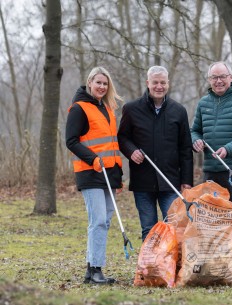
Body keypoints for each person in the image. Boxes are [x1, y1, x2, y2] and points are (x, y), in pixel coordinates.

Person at [117, 65, 193, 241]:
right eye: (155, 82)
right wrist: (131, 151)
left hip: (171, 181)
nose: (159, 86)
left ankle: (170, 267)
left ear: (168, 84)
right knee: (149, 229)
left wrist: (186, 181)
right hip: (143, 181)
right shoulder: (131, 109)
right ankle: (150, 267)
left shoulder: (178, 111)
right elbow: (122, 137)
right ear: (148, 83)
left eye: (163, 83)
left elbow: (185, 148)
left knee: (173, 228)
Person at [66, 67, 123, 285]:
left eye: (105, 84)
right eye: (98, 82)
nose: (101, 87)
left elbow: (111, 145)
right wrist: (92, 159)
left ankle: (91, 270)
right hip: (90, 172)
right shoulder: (79, 108)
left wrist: (119, 175)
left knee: (104, 221)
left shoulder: (108, 109)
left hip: (110, 174)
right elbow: (71, 140)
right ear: (90, 82)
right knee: (97, 220)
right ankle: (97, 269)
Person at [191, 61, 232, 235]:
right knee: (210, 219)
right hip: (211, 170)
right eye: (214, 77)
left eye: (222, 77)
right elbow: (195, 130)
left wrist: (228, 149)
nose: (218, 81)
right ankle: (214, 261)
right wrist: (196, 140)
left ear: (231, 78)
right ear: (209, 80)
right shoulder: (203, 103)